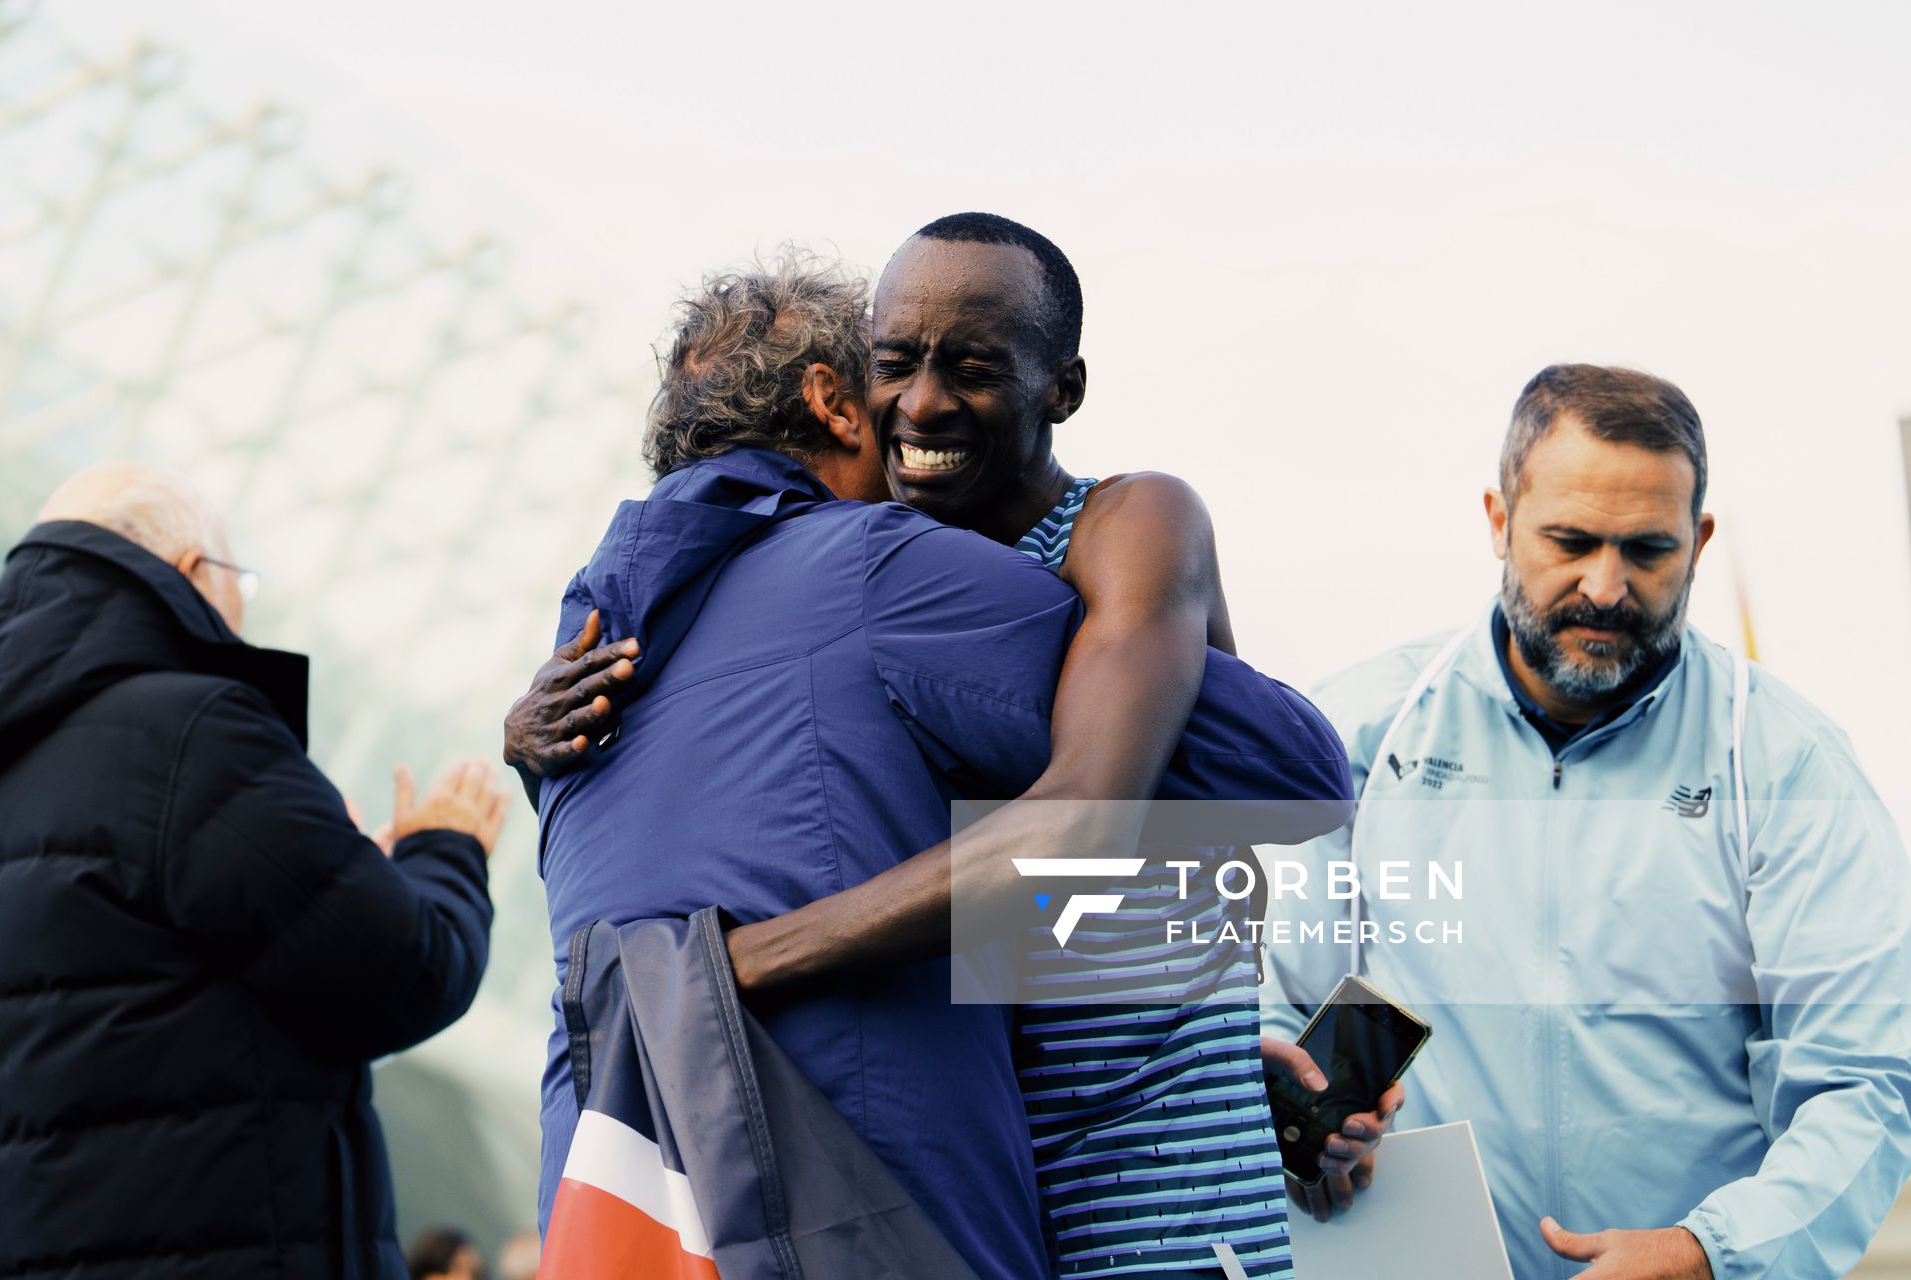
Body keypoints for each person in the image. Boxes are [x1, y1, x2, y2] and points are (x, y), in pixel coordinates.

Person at [509, 220, 1392, 1279]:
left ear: (1059, 389)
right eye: (897, 365)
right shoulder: (887, 584)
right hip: (1019, 1175)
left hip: (1150, 1194)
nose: (921, 403)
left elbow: (1192, 812)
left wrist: (729, 965)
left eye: (969, 369)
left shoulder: (1121, 525)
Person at [1261, 365, 1911, 1280]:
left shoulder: (1788, 764)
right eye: (1569, 541)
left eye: (1647, 550)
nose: (1605, 588)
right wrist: (1296, 1123)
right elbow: (1278, 1002)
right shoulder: (1355, 733)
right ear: (1497, 519)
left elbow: (1863, 1083)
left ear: (1700, 539)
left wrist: (1712, 1255)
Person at [0, 463, 510, 1279]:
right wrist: (446, 848)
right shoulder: (193, 734)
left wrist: (336, 878)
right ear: (194, 573)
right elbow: (402, 972)